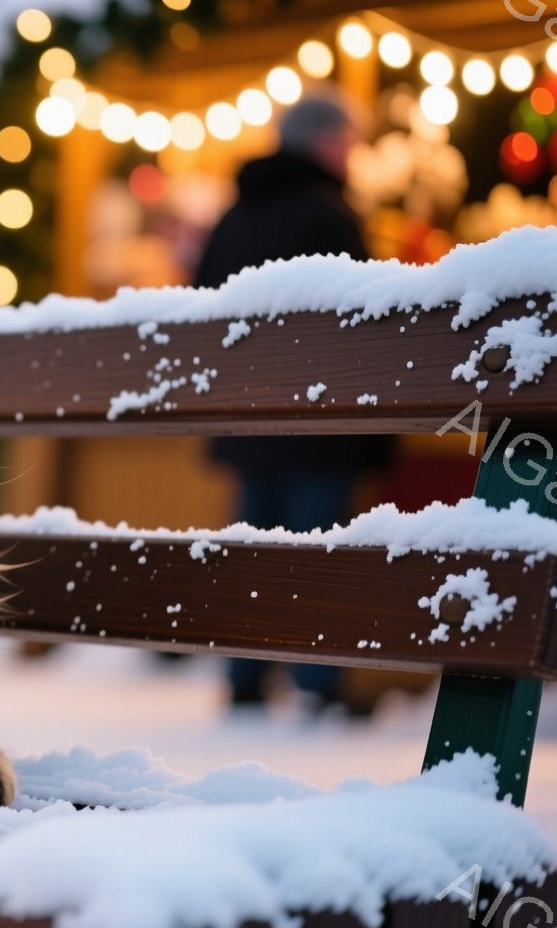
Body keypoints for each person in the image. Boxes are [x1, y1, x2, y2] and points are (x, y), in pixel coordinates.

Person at [196, 95, 395, 711]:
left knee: (252, 552)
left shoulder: (235, 214)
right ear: (326, 143)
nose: (353, 155)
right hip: (319, 422)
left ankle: (245, 679)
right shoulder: (331, 213)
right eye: (348, 142)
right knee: (317, 553)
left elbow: (202, 301)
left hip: (246, 420)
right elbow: (365, 318)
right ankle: (318, 683)